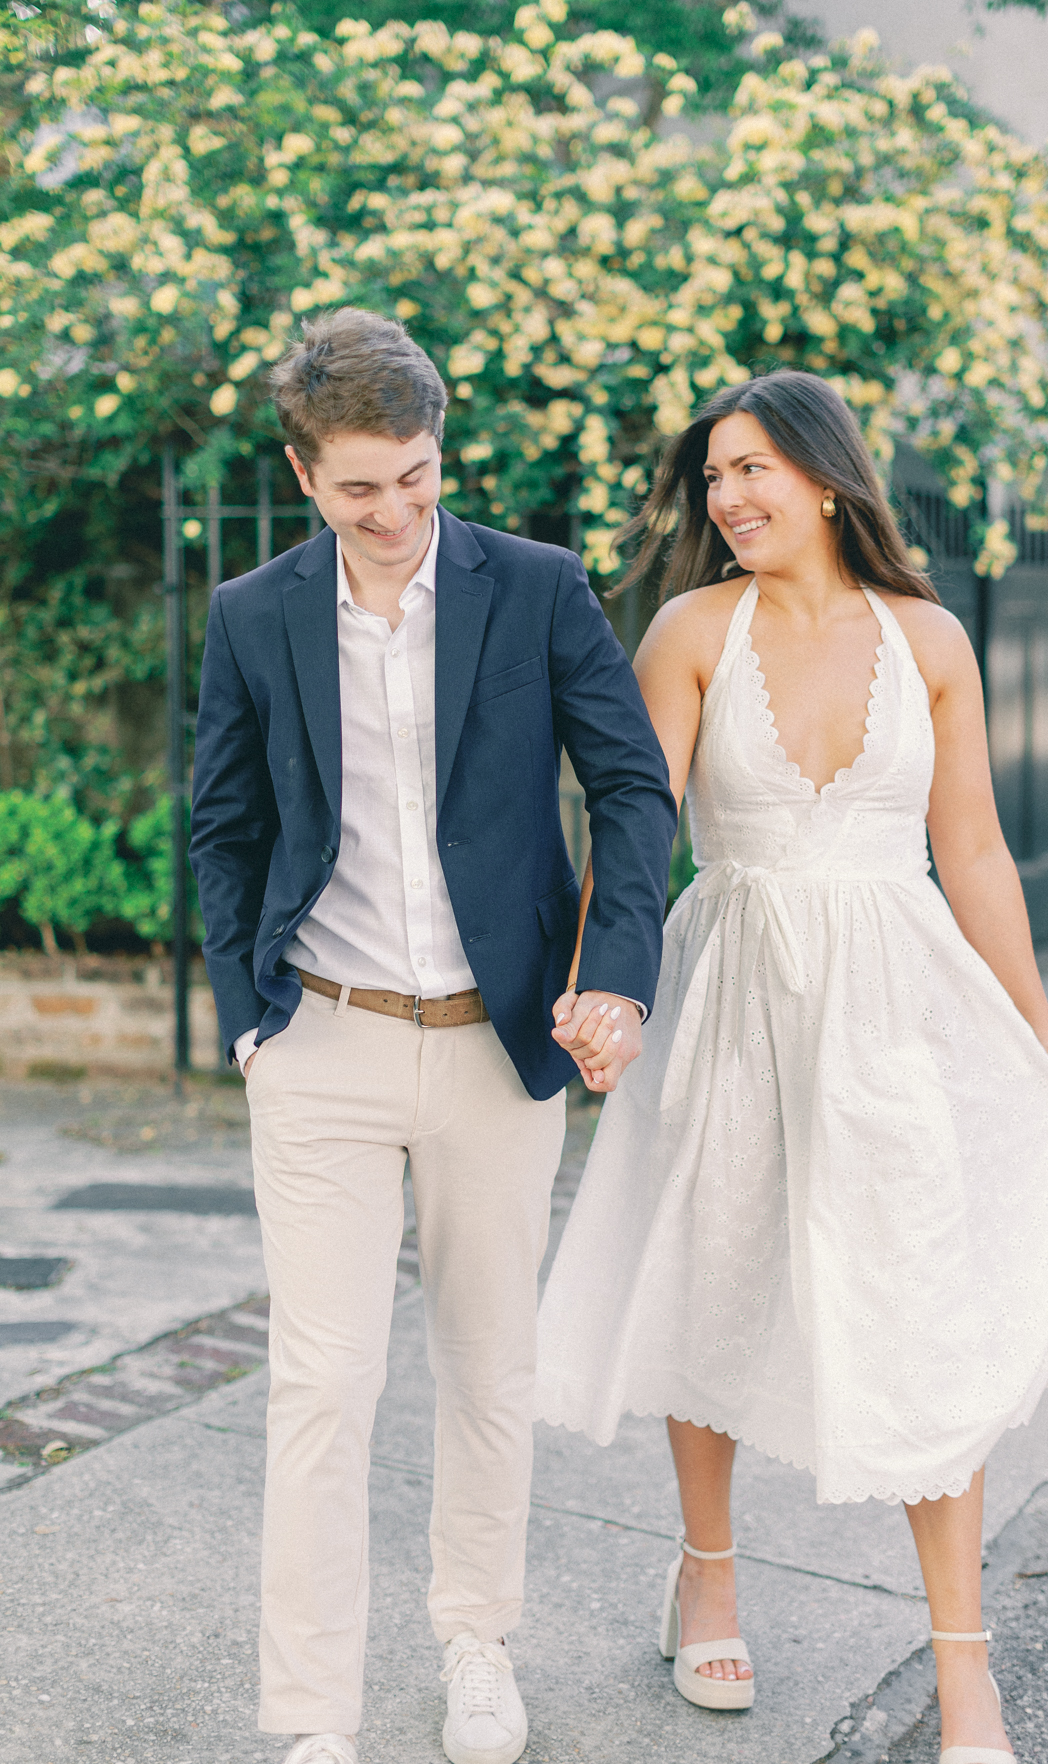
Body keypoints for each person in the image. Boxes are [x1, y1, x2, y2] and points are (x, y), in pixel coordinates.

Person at [536, 370, 1048, 1763]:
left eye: (753, 470)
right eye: (714, 476)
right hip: (731, 981)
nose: (727, 497)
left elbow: (969, 849)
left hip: (896, 1001)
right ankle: (710, 1569)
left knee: (923, 1302)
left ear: (831, 477)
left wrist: (1034, 1030)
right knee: (710, 1274)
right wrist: (607, 990)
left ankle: (963, 1666)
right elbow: (637, 827)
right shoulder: (688, 630)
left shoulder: (930, 638)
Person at [189, 306, 676, 1764]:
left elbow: (633, 789)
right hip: (322, 1040)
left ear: (436, 447)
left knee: (488, 1362)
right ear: (303, 474)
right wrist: (246, 1024)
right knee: (323, 1381)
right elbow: (224, 826)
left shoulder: (535, 589)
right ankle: (311, 1720)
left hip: (495, 1043)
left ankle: (478, 1639)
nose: (393, 511)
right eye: (358, 489)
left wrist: (621, 975)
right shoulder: (253, 613)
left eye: (412, 475)